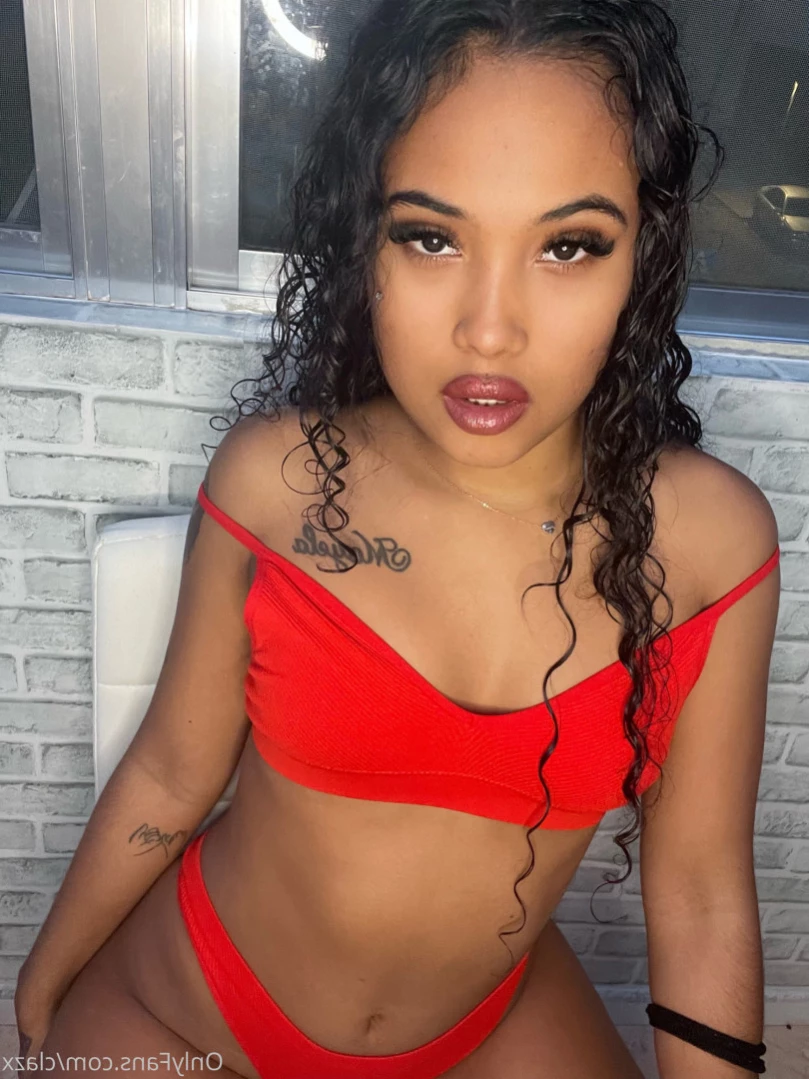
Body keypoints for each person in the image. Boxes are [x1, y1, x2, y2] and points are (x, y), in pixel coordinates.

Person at [15, 1, 780, 1076]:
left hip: (484, 1027)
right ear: (363, 238)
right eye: (431, 236)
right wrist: (41, 983)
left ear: (642, 259)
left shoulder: (709, 548)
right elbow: (171, 773)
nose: (488, 329)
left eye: (566, 246)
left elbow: (698, 894)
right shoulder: (274, 481)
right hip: (184, 1009)